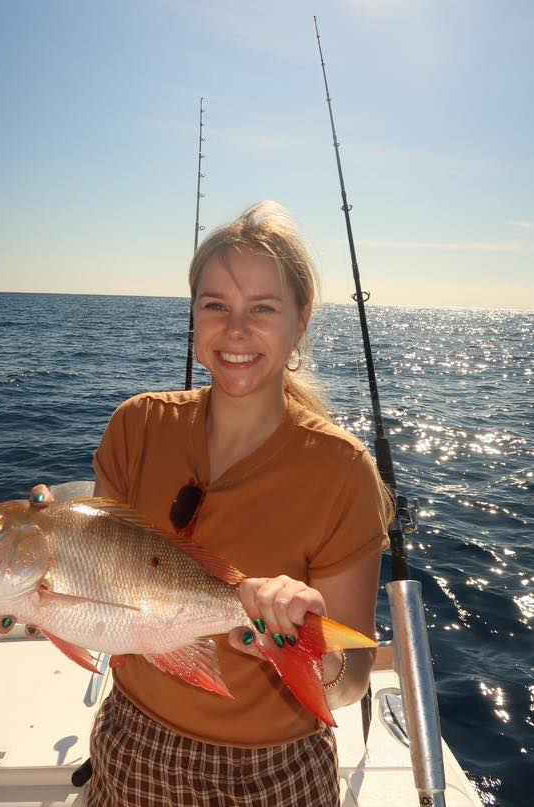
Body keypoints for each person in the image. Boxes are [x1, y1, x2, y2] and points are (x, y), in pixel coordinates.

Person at [31, 201, 391, 807]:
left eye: (263, 309)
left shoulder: (341, 470)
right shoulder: (136, 426)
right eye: (215, 305)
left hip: (276, 776)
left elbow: (352, 679)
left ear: (300, 322)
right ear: (194, 315)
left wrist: (300, 645)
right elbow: (104, 603)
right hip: (134, 747)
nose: (236, 329)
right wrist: (34, 574)